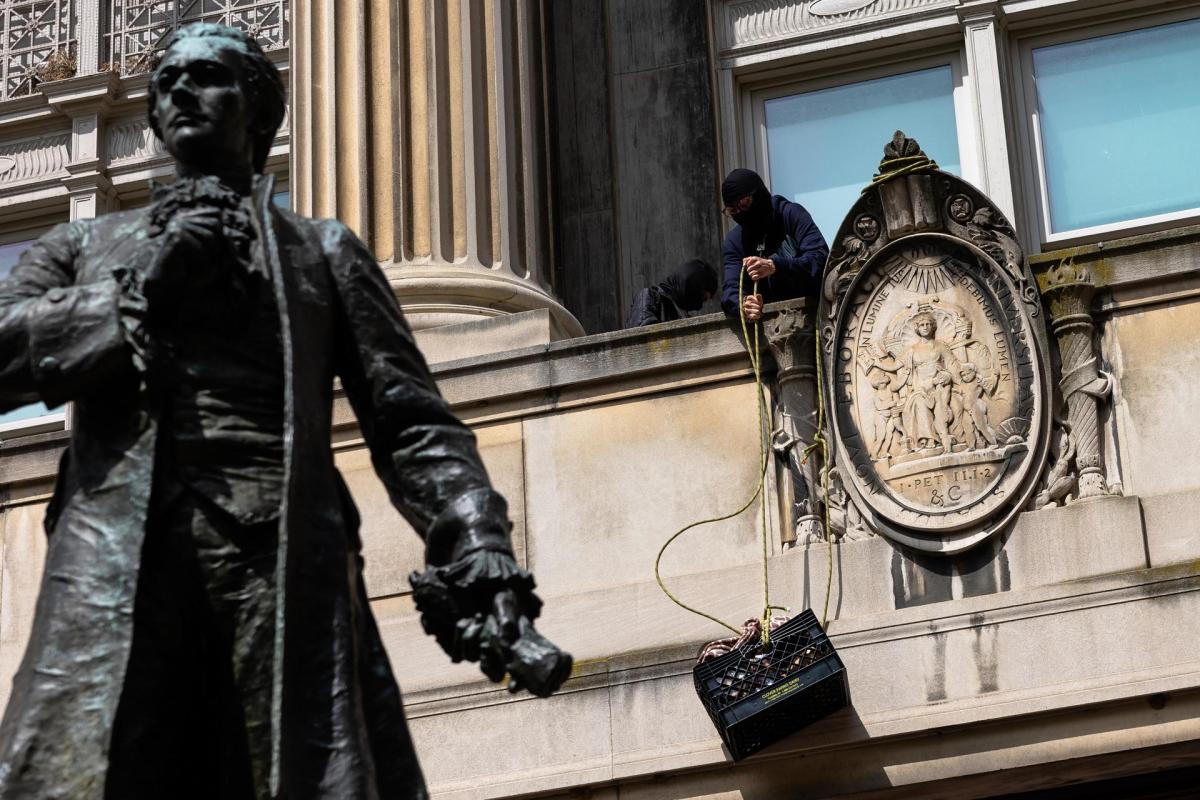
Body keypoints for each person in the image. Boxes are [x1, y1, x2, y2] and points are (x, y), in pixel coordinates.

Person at [0, 24, 567, 800]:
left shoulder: (321, 251)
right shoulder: (84, 246)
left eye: (207, 77)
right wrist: (134, 294)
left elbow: (410, 421)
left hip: (279, 555)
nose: (180, 93)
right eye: (166, 82)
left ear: (258, 110)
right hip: (117, 553)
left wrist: (476, 540)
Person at [719, 168, 828, 322]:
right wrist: (743, 305)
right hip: (769, 327)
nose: (741, 214)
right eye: (732, 211)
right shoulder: (734, 241)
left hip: (815, 316)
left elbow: (820, 258)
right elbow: (731, 289)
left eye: (745, 204)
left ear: (758, 193)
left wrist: (776, 266)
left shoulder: (790, 214)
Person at [625, 259, 718, 327]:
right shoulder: (649, 297)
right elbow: (644, 339)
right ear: (694, 286)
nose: (700, 305)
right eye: (703, 298)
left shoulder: (683, 315)